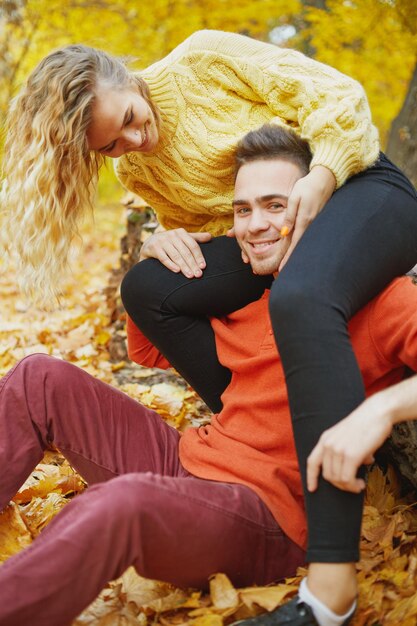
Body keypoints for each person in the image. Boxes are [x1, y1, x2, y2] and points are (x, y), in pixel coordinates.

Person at [1, 30, 416, 618]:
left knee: (120, 506)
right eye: (240, 211)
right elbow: (147, 346)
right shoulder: (239, 294)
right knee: (37, 376)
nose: (256, 225)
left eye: (277, 206)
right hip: (191, 460)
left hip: (261, 511)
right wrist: (164, 244)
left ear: (312, 201)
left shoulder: (380, 303)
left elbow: (337, 103)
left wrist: (381, 411)